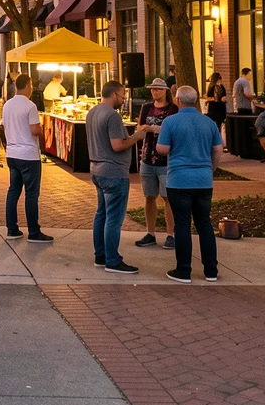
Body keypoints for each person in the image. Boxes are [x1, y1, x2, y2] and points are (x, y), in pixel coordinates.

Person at [156, 85, 223, 283]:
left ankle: (183, 270)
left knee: (182, 224)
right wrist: (209, 169)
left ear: (177, 100)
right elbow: (218, 149)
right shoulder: (208, 122)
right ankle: (211, 270)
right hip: (203, 179)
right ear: (195, 101)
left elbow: (162, 148)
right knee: (204, 223)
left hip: (179, 180)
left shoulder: (170, 121)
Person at [87, 81, 143, 273]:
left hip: (96, 169)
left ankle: (100, 255)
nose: (124, 98)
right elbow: (118, 145)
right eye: (122, 95)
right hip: (113, 173)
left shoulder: (92, 112)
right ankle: (112, 260)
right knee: (113, 218)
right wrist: (137, 136)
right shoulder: (112, 116)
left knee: (101, 214)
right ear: (113, 95)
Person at [1, 74, 53, 243]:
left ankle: (12, 228)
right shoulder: (30, 106)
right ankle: (33, 231)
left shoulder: (7, 105)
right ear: (28, 86)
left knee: (13, 191)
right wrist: (42, 129)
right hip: (28, 154)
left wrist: (7, 146)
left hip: (12, 153)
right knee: (31, 194)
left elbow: (2, 127)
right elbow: (34, 130)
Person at [134, 78, 178, 250]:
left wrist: (153, 129)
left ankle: (170, 234)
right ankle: (150, 232)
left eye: (158, 89)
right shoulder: (146, 107)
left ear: (165, 91)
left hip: (166, 160)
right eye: (153, 89)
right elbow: (139, 128)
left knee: (168, 197)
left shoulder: (172, 109)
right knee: (149, 197)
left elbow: (172, 130)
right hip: (147, 157)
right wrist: (142, 130)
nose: (155, 92)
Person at [205, 72, 227, 140]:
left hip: (220, 107)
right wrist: (216, 99)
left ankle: (218, 138)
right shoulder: (212, 87)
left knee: (219, 124)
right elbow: (209, 97)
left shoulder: (221, 86)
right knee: (216, 124)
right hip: (215, 108)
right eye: (219, 78)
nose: (220, 80)